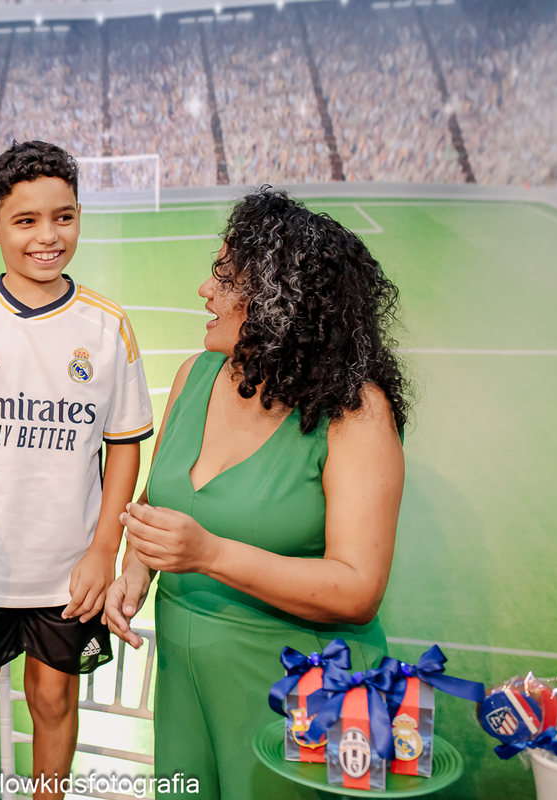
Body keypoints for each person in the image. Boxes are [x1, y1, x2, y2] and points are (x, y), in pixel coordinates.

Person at [103, 187, 408, 800]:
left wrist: (209, 554)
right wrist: (135, 571)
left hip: (298, 691)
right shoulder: (195, 375)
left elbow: (357, 591)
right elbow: (160, 504)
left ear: (279, 300)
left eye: (224, 277)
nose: (205, 291)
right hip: (184, 677)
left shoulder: (357, 413)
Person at [0, 141, 154, 800]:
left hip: (68, 566)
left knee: (52, 699)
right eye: (27, 220)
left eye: (63, 217)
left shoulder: (107, 327)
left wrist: (104, 551)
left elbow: (124, 446)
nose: (48, 236)